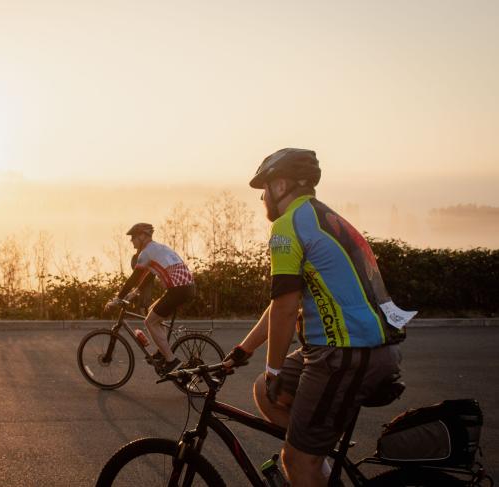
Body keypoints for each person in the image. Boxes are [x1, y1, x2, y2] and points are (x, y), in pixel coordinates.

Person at [222, 148, 415, 486]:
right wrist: (243, 352)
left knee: (295, 462)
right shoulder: (323, 217)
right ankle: (317, 459)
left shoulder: (287, 226)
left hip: (347, 353)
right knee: (266, 394)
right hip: (355, 348)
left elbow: (285, 308)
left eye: (264, 189)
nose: (263, 197)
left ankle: (309, 464)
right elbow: (283, 303)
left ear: (280, 185)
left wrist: (274, 369)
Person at [106, 223, 196, 374]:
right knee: (152, 314)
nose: (131, 241)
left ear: (142, 236)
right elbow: (150, 274)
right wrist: (136, 292)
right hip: (186, 288)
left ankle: (171, 361)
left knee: (150, 322)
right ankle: (163, 351)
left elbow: (134, 277)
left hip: (178, 290)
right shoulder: (159, 248)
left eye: (133, 237)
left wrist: (117, 299)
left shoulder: (146, 252)